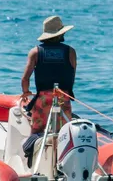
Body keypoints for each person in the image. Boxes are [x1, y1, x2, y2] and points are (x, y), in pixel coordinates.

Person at [19, 16, 77, 163]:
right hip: (63, 97)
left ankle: (33, 159)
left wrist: (26, 92)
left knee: (38, 131)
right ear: (61, 34)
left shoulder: (35, 52)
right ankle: (62, 162)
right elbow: (71, 75)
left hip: (43, 98)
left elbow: (25, 78)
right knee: (63, 132)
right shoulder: (71, 52)